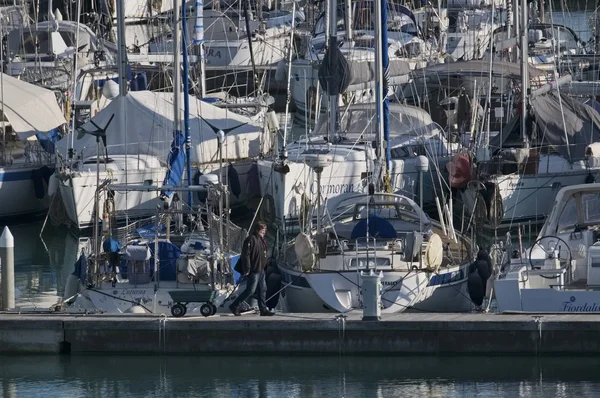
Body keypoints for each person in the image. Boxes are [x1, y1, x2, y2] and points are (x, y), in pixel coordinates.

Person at [230, 221, 275, 316]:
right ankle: (235, 305)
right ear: (258, 230)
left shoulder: (262, 240)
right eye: (263, 230)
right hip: (254, 270)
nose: (264, 232)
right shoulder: (250, 239)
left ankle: (263, 309)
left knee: (263, 289)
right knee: (250, 290)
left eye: (265, 230)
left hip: (261, 269)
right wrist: (247, 268)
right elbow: (245, 255)